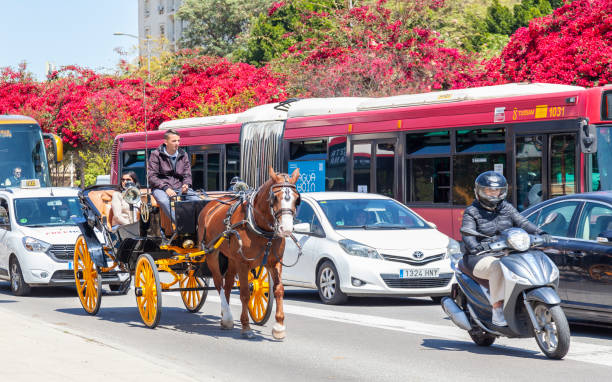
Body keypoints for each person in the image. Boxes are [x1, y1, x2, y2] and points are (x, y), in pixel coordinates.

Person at [461, 171, 545, 327]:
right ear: (480, 191)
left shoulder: (506, 207)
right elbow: (467, 233)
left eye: (497, 190)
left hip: (506, 252)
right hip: (479, 257)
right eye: (489, 190)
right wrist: (475, 246)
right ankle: (497, 310)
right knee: (497, 267)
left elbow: (523, 222)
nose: (493, 193)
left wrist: (540, 233)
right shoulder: (471, 211)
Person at [147, 129, 200, 223]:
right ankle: (180, 225)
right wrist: (165, 188)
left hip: (179, 187)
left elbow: (187, 174)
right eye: (174, 141)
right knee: (164, 201)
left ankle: (197, 224)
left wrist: (186, 184)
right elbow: (152, 177)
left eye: (178, 140)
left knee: (197, 199)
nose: (177, 143)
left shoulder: (184, 154)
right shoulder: (155, 155)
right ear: (166, 142)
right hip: (160, 189)